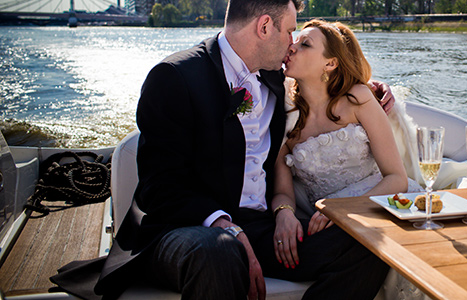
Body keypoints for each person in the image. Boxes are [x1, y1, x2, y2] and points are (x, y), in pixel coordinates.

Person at [50, 0, 394, 299]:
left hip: (261, 227)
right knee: (219, 252)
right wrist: (226, 226)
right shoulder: (175, 77)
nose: (291, 44)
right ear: (264, 27)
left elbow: (326, 84)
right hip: (186, 229)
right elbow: (161, 188)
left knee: (369, 244)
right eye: (290, 31)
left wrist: (374, 89)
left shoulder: (276, 77)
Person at [272, 20, 427, 299]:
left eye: (305, 44)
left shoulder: (358, 98)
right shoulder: (283, 112)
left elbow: (397, 178)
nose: (292, 47)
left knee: (373, 239)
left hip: (379, 202)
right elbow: (283, 190)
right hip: (326, 224)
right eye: (295, 41)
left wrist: (340, 208)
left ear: (330, 64)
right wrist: (284, 213)